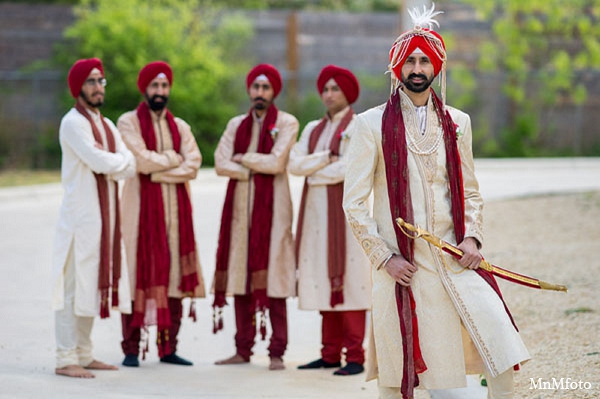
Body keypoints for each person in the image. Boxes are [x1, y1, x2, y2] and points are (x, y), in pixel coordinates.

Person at [342, 5, 530, 399]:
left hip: (453, 258)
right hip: (403, 265)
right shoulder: (369, 125)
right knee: (399, 372)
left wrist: (473, 240)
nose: (416, 67)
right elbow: (354, 204)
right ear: (397, 66)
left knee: (499, 341)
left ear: (437, 67)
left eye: (425, 60)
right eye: (409, 59)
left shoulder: (458, 123)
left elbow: (472, 191)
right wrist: (384, 258)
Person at [51, 58, 136, 378]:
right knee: (73, 289)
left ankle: (84, 354)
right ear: (78, 89)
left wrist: (116, 161)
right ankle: (65, 358)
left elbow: (130, 163)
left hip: (105, 220)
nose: (98, 87)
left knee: (91, 288)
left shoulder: (105, 124)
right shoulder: (72, 122)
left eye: (101, 81)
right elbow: (101, 162)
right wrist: (117, 161)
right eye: (90, 81)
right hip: (79, 219)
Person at [117, 61, 205, 367]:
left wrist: (159, 170)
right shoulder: (128, 123)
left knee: (174, 279)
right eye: (155, 86)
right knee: (137, 274)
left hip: (176, 218)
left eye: (165, 86)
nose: (160, 91)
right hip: (140, 216)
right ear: (145, 89)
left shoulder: (180, 127)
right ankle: (131, 348)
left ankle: (168, 349)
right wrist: (173, 159)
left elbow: (194, 163)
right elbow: (140, 161)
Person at [212, 63, 298, 371]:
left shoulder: (287, 123)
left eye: (265, 88)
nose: (259, 93)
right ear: (250, 90)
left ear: (274, 91)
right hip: (238, 213)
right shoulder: (237, 125)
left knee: (274, 278)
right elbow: (220, 163)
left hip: (274, 212)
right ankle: (242, 348)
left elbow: (276, 163)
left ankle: (277, 351)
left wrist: (242, 159)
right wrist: (251, 167)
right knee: (241, 278)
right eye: (255, 87)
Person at [288, 65, 371, 376]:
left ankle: (355, 357)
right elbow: (295, 165)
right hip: (316, 219)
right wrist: (324, 159)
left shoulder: (360, 126)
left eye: (335, 89)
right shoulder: (312, 128)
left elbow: (349, 169)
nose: (329, 94)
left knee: (351, 283)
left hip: (348, 220)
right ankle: (329, 354)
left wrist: (316, 170)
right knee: (324, 282)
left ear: (348, 93)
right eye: (325, 89)